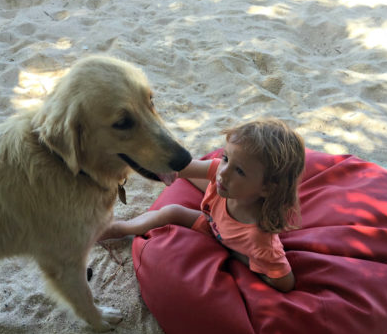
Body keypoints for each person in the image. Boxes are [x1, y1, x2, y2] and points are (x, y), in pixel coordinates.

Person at [100, 118, 306, 292]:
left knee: (177, 209)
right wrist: (151, 164)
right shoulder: (223, 176)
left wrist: (241, 258)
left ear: (266, 188)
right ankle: (121, 228)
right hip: (211, 223)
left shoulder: (259, 238)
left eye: (240, 171)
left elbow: (285, 283)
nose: (224, 172)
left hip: (227, 240)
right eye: (226, 158)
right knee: (172, 211)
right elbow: (184, 169)